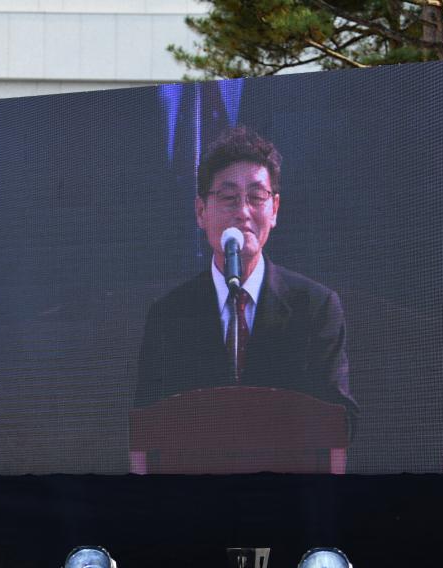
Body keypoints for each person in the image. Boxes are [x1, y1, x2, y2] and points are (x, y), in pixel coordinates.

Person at [135, 126, 357, 422]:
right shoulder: (169, 315)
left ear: (275, 208)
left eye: (256, 197)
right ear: (201, 211)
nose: (243, 211)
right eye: (229, 197)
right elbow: (147, 425)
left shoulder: (315, 308)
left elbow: (341, 421)